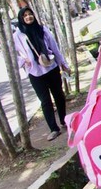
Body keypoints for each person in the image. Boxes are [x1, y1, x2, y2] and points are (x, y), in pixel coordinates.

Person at [13, 7, 71, 141]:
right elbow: (11, 54)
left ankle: (63, 121)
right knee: (45, 101)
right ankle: (53, 129)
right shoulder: (18, 35)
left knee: (59, 95)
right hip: (35, 72)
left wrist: (63, 63)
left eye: (30, 14)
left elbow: (54, 47)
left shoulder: (42, 29)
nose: (28, 17)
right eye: (25, 16)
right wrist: (23, 60)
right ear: (21, 19)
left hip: (51, 68)